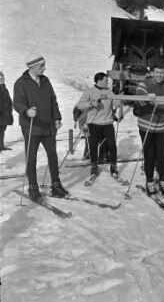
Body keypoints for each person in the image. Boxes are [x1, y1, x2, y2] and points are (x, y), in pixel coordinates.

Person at [13, 53, 68, 201]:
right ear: (31, 66)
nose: (44, 68)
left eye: (44, 65)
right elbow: (17, 103)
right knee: (31, 158)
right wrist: (26, 111)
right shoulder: (21, 83)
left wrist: (57, 118)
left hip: (48, 126)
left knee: (53, 156)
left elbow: (53, 100)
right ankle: (33, 187)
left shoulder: (45, 80)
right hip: (31, 126)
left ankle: (56, 185)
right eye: (41, 66)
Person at [135, 64, 164, 195]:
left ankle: (162, 180)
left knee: (162, 155)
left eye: (162, 72)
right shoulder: (144, 84)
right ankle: (149, 180)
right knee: (149, 154)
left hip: (162, 127)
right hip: (146, 126)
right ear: (152, 72)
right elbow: (139, 96)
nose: (159, 75)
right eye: (157, 72)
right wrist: (146, 97)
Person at [76, 72, 122, 177]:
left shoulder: (109, 91)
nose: (108, 82)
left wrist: (117, 102)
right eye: (106, 80)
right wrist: (91, 103)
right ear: (99, 81)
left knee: (111, 144)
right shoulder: (90, 91)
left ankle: (113, 166)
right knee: (93, 144)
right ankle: (94, 165)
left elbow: (116, 102)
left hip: (108, 123)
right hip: (94, 123)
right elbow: (80, 105)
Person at [0, 71, 14, 151]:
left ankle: (1, 146)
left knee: (2, 130)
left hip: (5, 114)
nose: (2, 80)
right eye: (0, 78)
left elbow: (9, 101)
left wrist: (10, 109)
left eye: (3, 78)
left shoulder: (4, 89)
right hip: (0, 114)